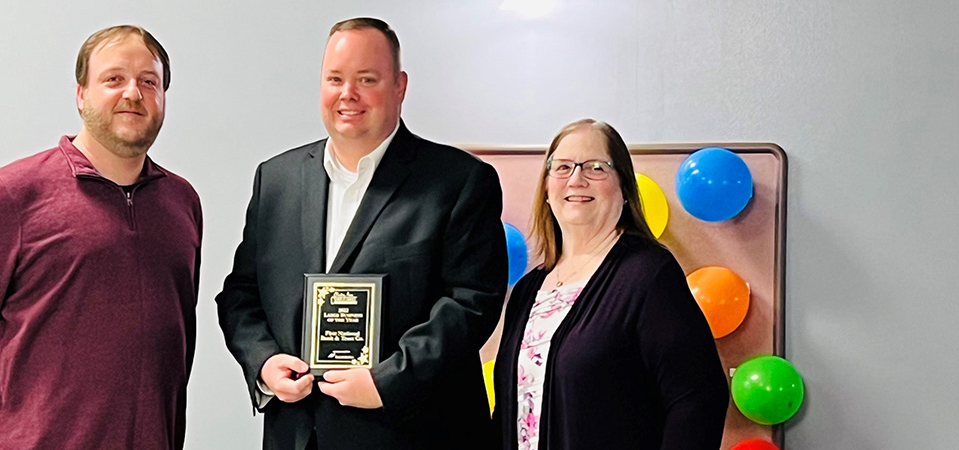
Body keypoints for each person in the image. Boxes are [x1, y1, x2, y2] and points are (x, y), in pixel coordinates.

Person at [216, 17, 507, 450]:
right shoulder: (275, 180)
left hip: (415, 434)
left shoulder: (459, 181)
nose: (347, 94)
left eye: (366, 79)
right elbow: (241, 294)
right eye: (335, 79)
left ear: (399, 86)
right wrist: (264, 362)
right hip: (297, 434)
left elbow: (471, 303)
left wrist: (389, 381)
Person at [0, 25, 201, 450]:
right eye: (114, 79)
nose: (133, 93)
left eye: (149, 82)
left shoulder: (181, 202)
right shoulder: (11, 194)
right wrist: (15, 406)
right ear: (81, 95)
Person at [491, 119, 728, 450]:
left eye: (596, 167)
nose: (576, 179)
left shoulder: (648, 275)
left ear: (624, 188)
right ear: (546, 189)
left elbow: (698, 397)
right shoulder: (529, 290)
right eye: (562, 167)